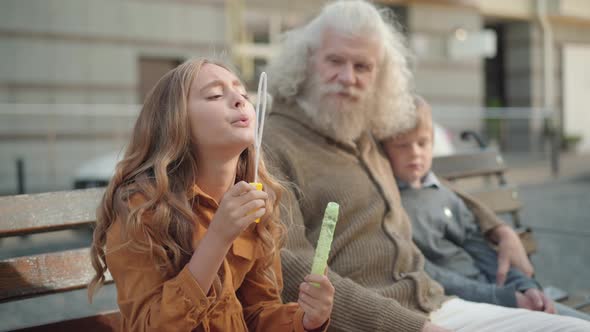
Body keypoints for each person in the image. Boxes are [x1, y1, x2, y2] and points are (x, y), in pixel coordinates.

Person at [263, 1, 590, 331]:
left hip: (436, 304)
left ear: (380, 76)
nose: (348, 78)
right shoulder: (273, 144)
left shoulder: (362, 131)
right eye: (335, 61)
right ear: (307, 61)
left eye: (362, 66)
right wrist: (408, 326)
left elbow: (427, 179)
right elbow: (290, 267)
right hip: (377, 323)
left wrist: (499, 228)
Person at [87, 58, 334, 331]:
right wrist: (217, 239)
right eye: (215, 95)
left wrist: (306, 321)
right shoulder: (142, 209)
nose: (240, 101)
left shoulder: (253, 204)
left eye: (242, 93)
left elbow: (257, 314)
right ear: (175, 122)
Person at [382, 95, 590, 322]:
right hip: (465, 304)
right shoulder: (393, 207)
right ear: (384, 150)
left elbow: (482, 249)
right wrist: (505, 298)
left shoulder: (445, 195)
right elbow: (429, 275)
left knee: (577, 320)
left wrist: (525, 287)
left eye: (422, 143)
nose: (415, 152)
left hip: (503, 293)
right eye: (403, 145)